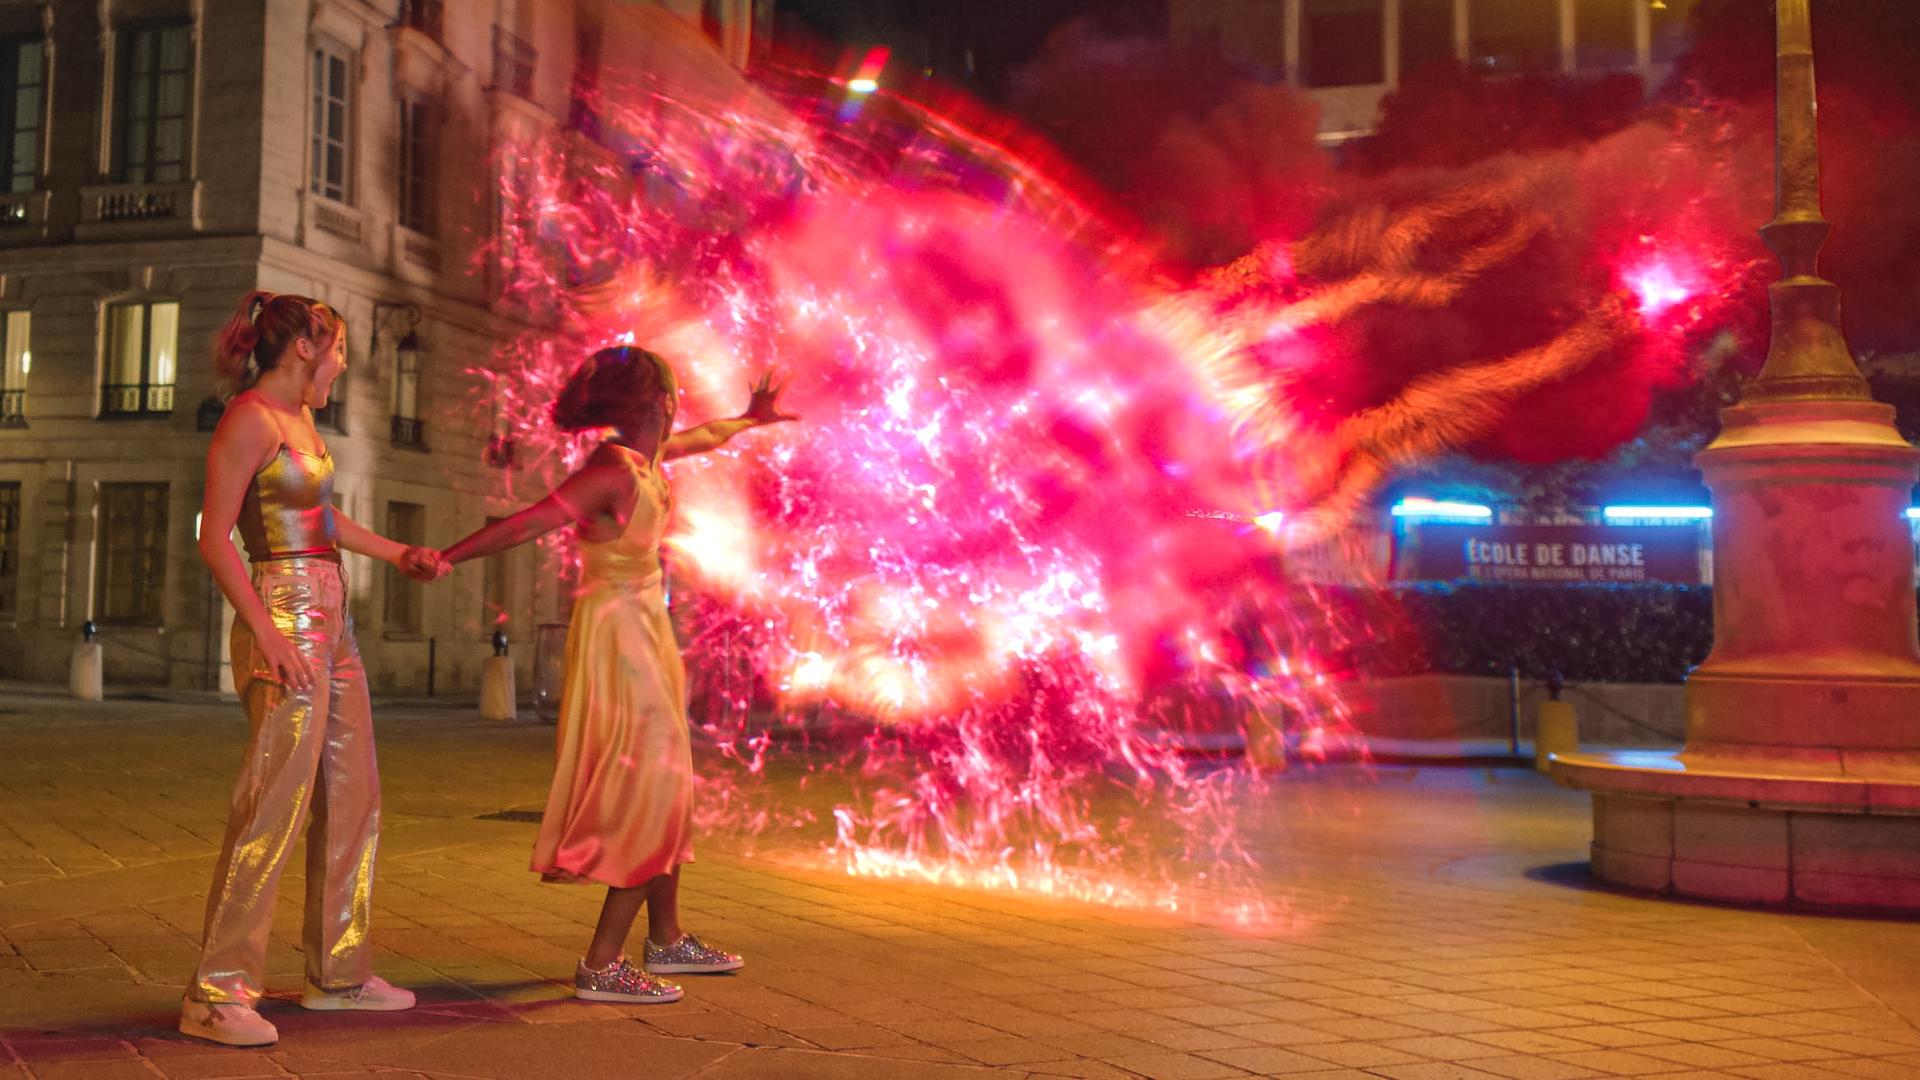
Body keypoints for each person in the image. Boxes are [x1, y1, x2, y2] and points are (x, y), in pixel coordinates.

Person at [438, 346, 793, 1003]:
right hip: (618, 639)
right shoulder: (612, 468)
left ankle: (667, 938)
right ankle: (602, 962)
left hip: (643, 633)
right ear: (656, 400)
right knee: (649, 789)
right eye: (673, 385)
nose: (682, 393)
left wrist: (749, 419)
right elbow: (532, 519)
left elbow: (705, 437)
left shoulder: (649, 455)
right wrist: (444, 557)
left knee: (667, 781)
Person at [181, 291, 445, 1047]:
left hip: (333, 615)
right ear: (305, 348)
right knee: (273, 807)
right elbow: (215, 536)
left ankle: (339, 974)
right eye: (339, 356)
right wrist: (265, 633)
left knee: (352, 791)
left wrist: (399, 554)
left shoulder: (301, 423)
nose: (342, 369)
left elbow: (319, 518)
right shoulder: (249, 419)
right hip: (285, 612)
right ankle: (215, 992)